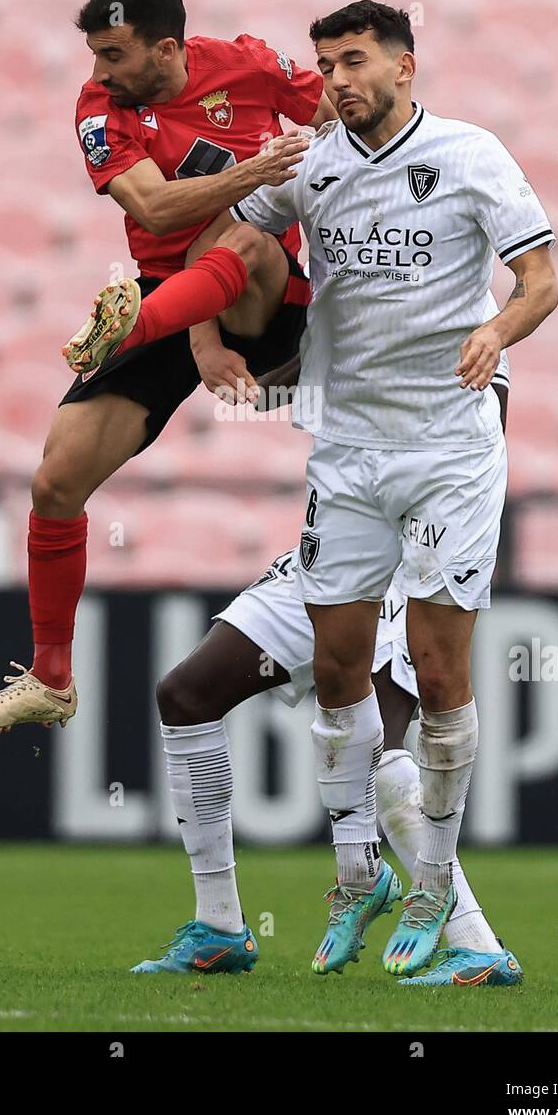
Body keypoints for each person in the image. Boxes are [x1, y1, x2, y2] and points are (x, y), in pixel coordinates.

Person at [103, 0, 558, 975]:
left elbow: (539, 285)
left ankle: (460, 927)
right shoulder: (311, 167)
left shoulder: (471, 158)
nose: (337, 78)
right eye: (324, 63)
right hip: (346, 475)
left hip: (435, 483)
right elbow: (227, 250)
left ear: (404, 64)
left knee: (422, 702)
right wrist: (199, 336)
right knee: (197, 691)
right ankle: (278, 908)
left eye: (354, 60)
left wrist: (495, 331)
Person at [0, 0, 332, 735]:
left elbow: (337, 114)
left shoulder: (251, 65)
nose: (98, 73)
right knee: (56, 481)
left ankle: (132, 326)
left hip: (273, 307)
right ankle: (52, 680)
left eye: (113, 55)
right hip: (176, 295)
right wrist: (256, 173)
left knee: (252, 234)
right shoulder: (102, 108)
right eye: (94, 55)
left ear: (166, 48)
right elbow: (154, 205)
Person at [134, 354, 522, 987]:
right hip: (332, 550)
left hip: (410, 550)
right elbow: (270, 394)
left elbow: (484, 427)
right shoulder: (343, 275)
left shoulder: (459, 299)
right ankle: (220, 927)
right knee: (186, 695)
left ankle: (475, 945)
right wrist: (223, 361)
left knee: (384, 760)